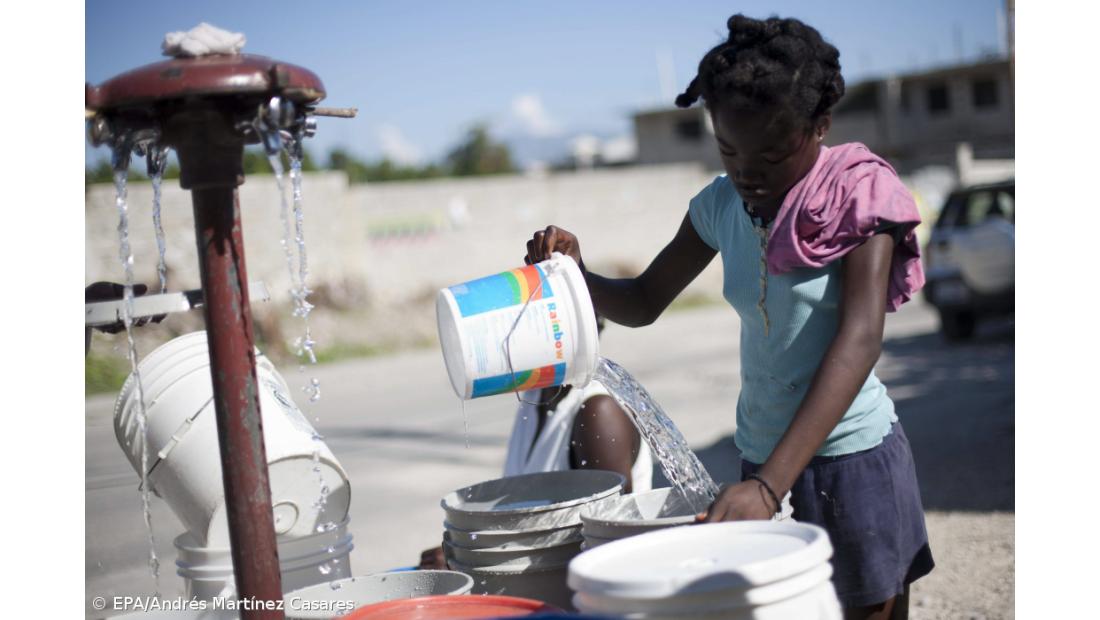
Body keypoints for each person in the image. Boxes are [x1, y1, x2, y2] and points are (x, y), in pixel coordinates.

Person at [523, 15, 933, 620]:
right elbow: (642, 301)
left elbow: (859, 341)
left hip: (850, 458)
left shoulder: (858, 198)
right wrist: (576, 275)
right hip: (761, 457)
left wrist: (770, 485)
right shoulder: (720, 205)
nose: (747, 171)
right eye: (728, 149)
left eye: (770, 153)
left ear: (819, 127)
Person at [419, 316, 652, 570]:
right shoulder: (535, 399)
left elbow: (610, 541)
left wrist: (469, 558)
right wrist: (463, 547)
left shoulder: (599, 412)